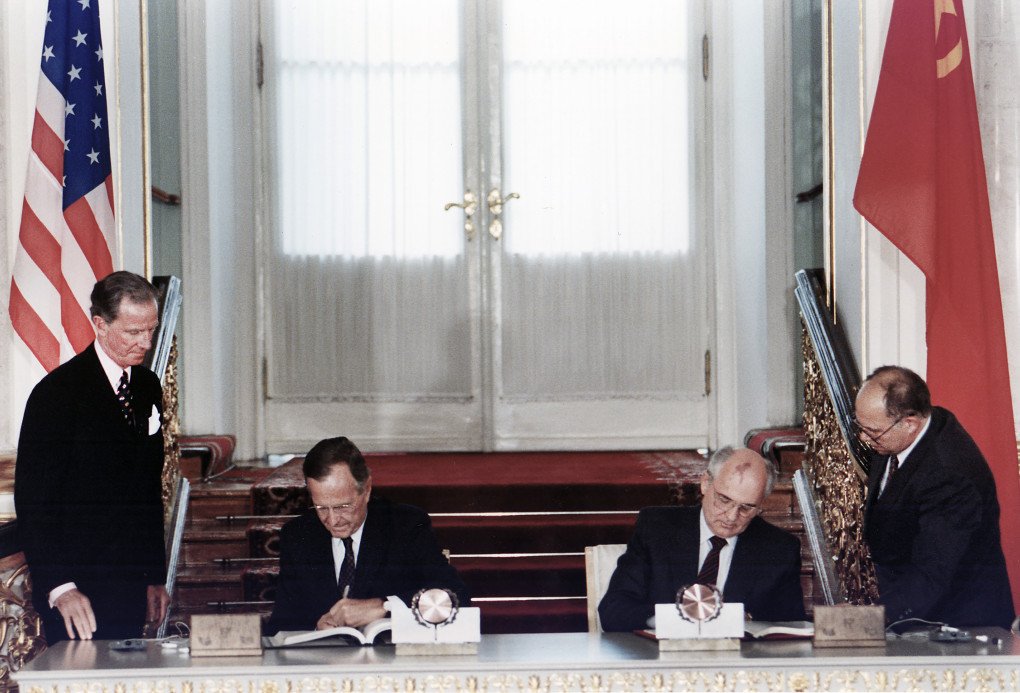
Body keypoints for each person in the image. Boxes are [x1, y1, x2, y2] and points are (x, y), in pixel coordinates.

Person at [15, 271, 169, 642]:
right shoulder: (55, 395)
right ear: (99, 324)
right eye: (133, 332)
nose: (146, 343)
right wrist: (60, 587)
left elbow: (147, 490)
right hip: (76, 594)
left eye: (151, 330)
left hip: (131, 588)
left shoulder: (147, 386)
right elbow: (35, 503)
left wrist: (153, 576)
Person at [856, 365, 1014, 628]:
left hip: (957, 626)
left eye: (871, 431)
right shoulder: (899, 433)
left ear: (910, 423)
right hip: (916, 603)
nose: (863, 438)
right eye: (860, 426)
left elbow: (931, 575)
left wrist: (866, 619)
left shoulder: (950, 475)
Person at [266, 436, 470, 634]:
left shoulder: (405, 525)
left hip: (390, 660)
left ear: (367, 490)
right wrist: (315, 628)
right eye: (321, 508)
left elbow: (455, 596)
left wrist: (385, 606)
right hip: (325, 661)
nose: (333, 520)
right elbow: (281, 624)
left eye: (342, 506)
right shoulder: (298, 535)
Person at [598, 446, 805, 632]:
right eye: (724, 500)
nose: (731, 517)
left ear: (761, 505)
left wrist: (743, 619)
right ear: (706, 484)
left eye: (747, 508)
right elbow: (613, 610)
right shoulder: (657, 528)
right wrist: (676, 619)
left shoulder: (780, 549)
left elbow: (790, 626)